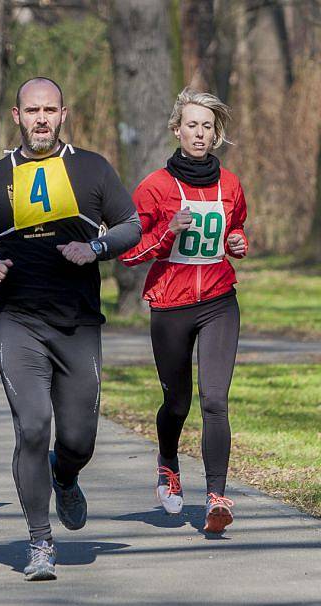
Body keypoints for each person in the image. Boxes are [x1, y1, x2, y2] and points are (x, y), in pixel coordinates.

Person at [0, 77, 141, 581]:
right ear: (16, 115)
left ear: (63, 114)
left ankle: (66, 473)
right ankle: (40, 541)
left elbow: (131, 224)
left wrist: (96, 248)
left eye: (50, 109)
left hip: (77, 321)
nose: (41, 118)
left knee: (78, 438)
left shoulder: (92, 167)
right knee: (32, 426)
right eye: (32, 110)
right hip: (18, 319)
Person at [119, 88, 248, 534]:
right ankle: (169, 464)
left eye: (207, 126)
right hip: (171, 306)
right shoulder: (154, 188)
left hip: (218, 302)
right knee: (177, 401)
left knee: (215, 401)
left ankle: (216, 497)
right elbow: (130, 254)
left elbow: (236, 231)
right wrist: (168, 233)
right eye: (192, 125)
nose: (199, 133)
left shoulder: (230, 184)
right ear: (177, 130)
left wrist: (237, 243)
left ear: (216, 135)